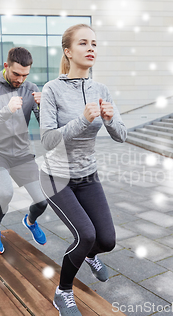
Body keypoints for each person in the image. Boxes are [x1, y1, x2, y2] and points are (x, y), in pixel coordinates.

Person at [39, 24, 127, 315]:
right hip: (55, 177)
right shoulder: (52, 89)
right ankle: (62, 291)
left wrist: (111, 119)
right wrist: (81, 120)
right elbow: (48, 140)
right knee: (86, 235)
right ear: (68, 51)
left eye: (94, 44)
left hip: (87, 175)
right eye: (83, 43)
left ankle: (90, 257)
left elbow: (121, 135)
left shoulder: (100, 90)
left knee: (107, 241)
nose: (91, 48)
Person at [0, 47, 48, 254]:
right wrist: (6, 110)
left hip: (23, 154)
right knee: (5, 193)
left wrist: (44, 108)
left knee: (42, 201)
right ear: (6, 66)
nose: (20, 80)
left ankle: (30, 222)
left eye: (25, 75)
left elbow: (45, 125)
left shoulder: (30, 88)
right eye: (16, 74)